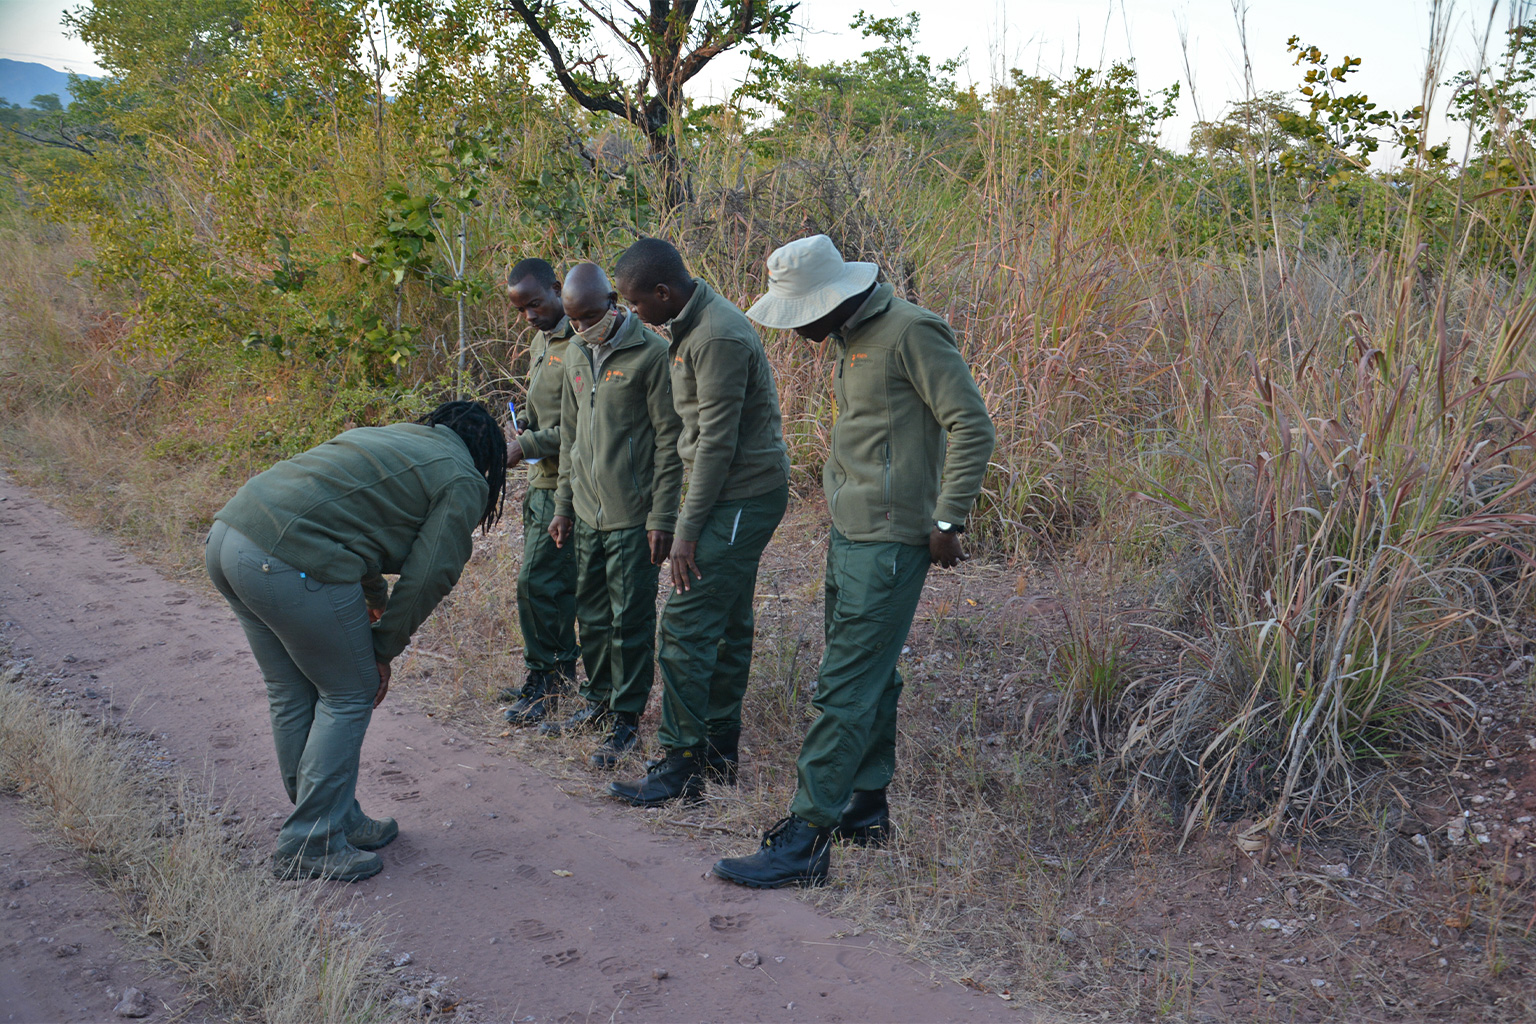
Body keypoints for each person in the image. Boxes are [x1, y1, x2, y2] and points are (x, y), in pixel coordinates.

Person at [713, 235, 995, 888]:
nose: (797, 329)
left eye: (800, 313)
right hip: (851, 533)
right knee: (871, 676)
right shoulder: (849, 335)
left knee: (843, 686)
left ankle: (805, 838)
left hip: (891, 543)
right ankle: (866, 807)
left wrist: (949, 520)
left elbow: (970, 424)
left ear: (830, 298)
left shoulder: (911, 332)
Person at [206, 401, 507, 881]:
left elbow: (351, 519)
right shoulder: (462, 478)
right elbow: (429, 575)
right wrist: (381, 651)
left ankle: (334, 817)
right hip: (284, 559)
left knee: (292, 691)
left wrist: (372, 596)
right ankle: (312, 839)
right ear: (484, 454)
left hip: (228, 539)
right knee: (349, 692)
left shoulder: (395, 439)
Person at [606, 237, 790, 806]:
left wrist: (686, 532)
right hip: (732, 496)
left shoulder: (716, 334)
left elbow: (716, 445)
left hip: (741, 496)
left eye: (636, 305)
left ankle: (680, 762)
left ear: (663, 293)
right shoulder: (690, 326)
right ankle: (717, 754)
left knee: (686, 627)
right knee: (728, 622)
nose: (632, 315)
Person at [548, 262, 683, 767]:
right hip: (585, 511)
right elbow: (570, 436)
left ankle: (626, 718)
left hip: (632, 515)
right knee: (593, 614)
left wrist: (661, 517)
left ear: (611, 300)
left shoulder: (652, 354)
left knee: (629, 619)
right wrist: (563, 506)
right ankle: (598, 703)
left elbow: (670, 443)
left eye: (588, 317)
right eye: (574, 321)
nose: (582, 329)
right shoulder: (576, 352)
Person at [500, 258, 581, 728]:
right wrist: (525, 426)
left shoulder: (581, 339)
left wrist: (522, 444)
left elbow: (579, 425)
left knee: (538, 583)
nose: (529, 316)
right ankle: (551, 673)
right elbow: (544, 408)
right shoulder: (542, 338)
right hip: (539, 480)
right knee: (545, 584)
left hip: (563, 483)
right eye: (521, 310)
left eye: (535, 303)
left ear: (556, 289)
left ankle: (548, 679)